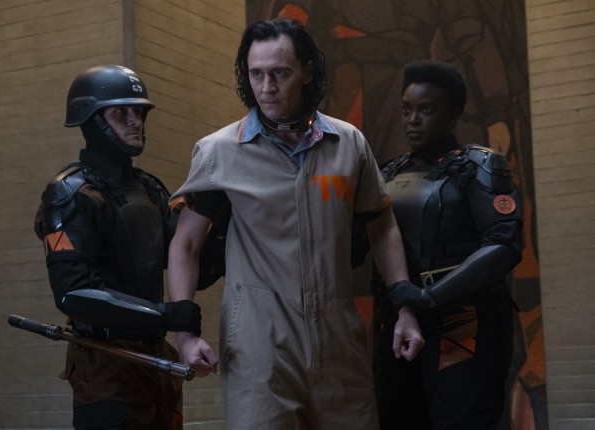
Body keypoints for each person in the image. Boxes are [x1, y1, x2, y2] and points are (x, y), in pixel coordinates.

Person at [166, 18, 424, 430]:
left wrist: (405, 307)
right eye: (256, 74)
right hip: (258, 343)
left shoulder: (349, 144)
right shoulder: (219, 152)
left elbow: (383, 227)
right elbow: (185, 246)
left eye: (280, 73)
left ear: (307, 71)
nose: (267, 86)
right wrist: (184, 334)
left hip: (339, 338)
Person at [34, 65, 209, 430]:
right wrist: (165, 315)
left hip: (155, 363)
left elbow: (194, 263)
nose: (136, 121)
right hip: (104, 368)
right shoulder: (70, 192)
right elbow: (72, 292)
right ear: (91, 119)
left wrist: (219, 219)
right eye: (121, 113)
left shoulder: (149, 187)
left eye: (140, 112)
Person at [372, 60, 523, 430]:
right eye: (406, 109)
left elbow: (504, 244)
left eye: (426, 109)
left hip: (463, 322)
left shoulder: (480, 166)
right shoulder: (387, 172)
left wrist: (430, 297)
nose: (413, 120)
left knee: (463, 419)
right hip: (398, 321)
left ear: (453, 115)